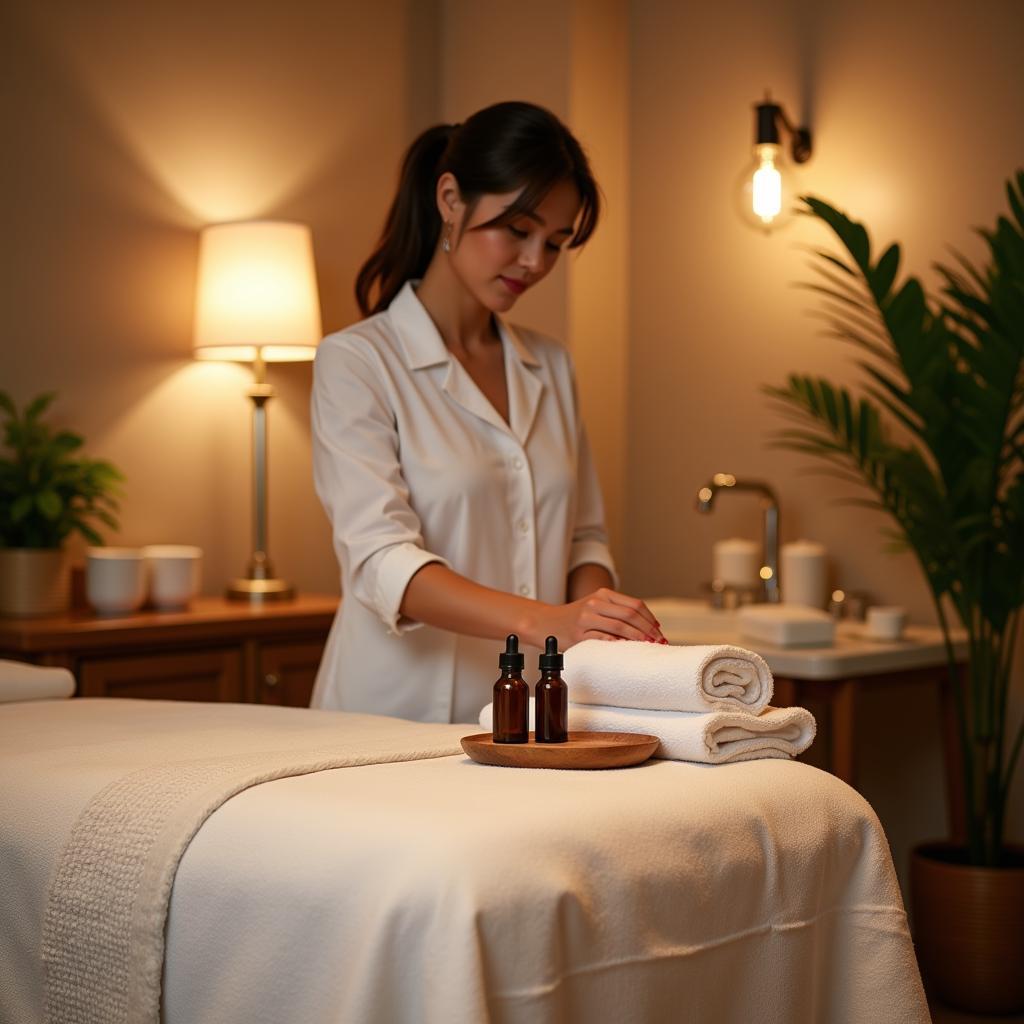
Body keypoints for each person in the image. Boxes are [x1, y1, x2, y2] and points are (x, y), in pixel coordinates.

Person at [310, 100, 665, 723]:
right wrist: (545, 620)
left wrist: (597, 619)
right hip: (395, 711)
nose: (535, 263)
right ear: (450, 199)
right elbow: (382, 562)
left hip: (533, 706)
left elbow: (583, 536)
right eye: (519, 230)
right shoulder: (357, 362)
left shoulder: (550, 365)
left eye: (555, 242)